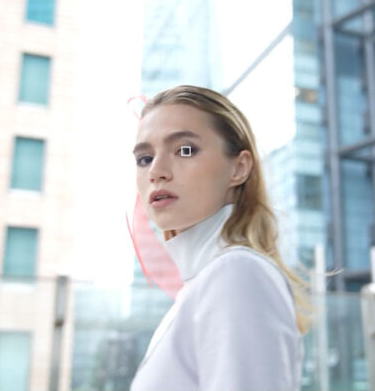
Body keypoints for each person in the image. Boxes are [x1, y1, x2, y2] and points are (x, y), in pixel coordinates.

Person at [129, 85, 313, 390]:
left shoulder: (238, 273)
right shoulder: (202, 286)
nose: (157, 171)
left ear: (239, 168)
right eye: (145, 158)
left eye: (184, 150)